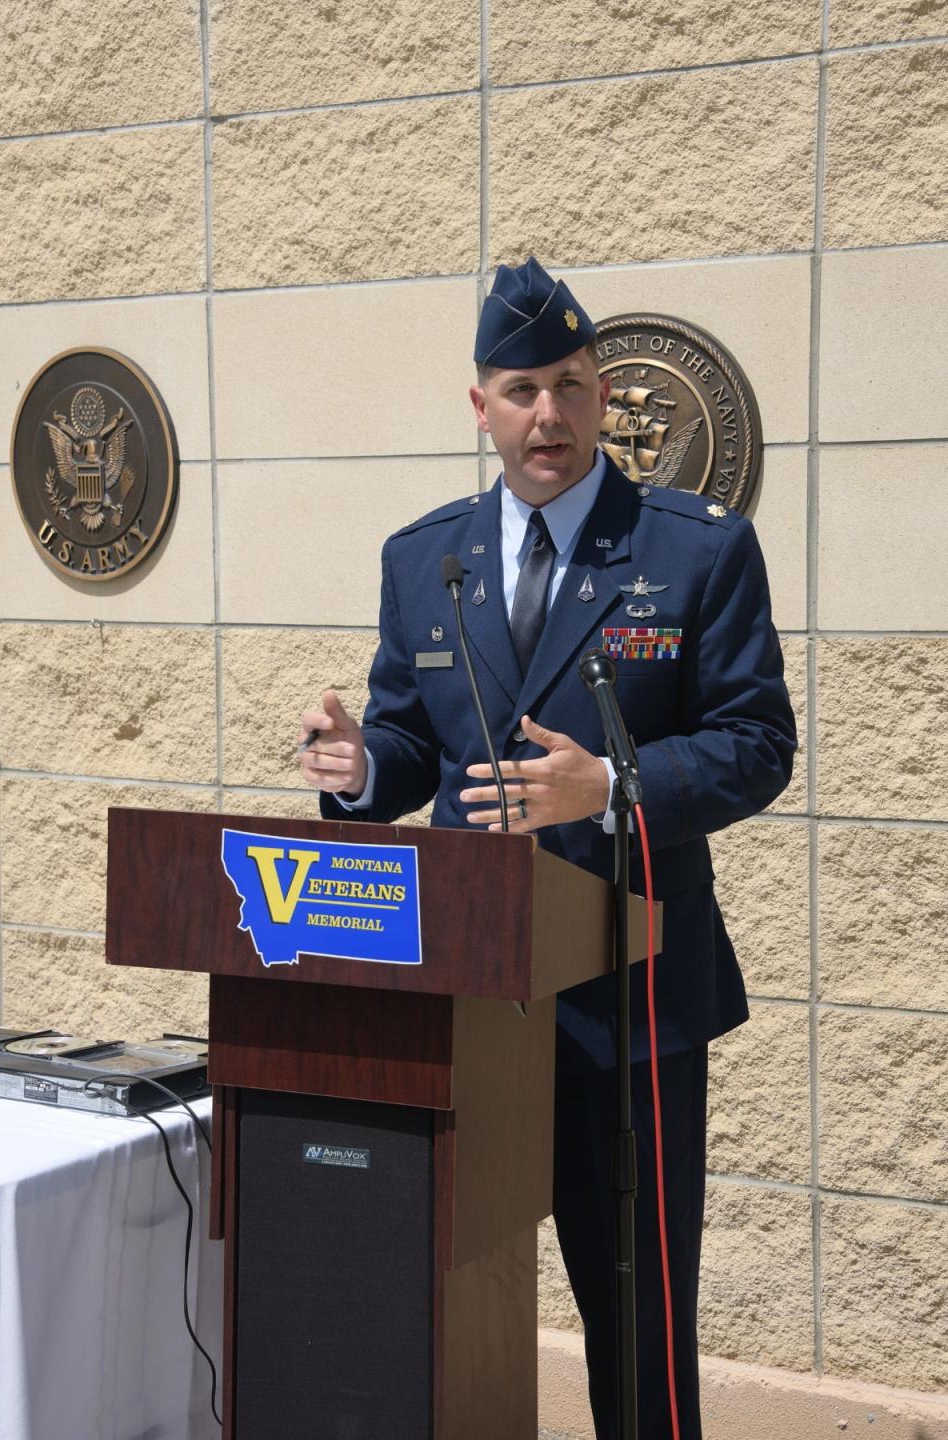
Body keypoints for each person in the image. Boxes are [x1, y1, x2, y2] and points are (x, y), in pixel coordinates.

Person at [297, 256, 796, 1439]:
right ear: (482, 406)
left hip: (630, 996)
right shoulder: (427, 556)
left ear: (602, 392)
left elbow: (758, 743)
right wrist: (365, 768)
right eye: (521, 389)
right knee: (443, 1295)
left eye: (569, 386)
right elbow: (416, 738)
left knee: (635, 1313)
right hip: (466, 994)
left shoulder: (693, 550)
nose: (547, 415)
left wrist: (612, 785)